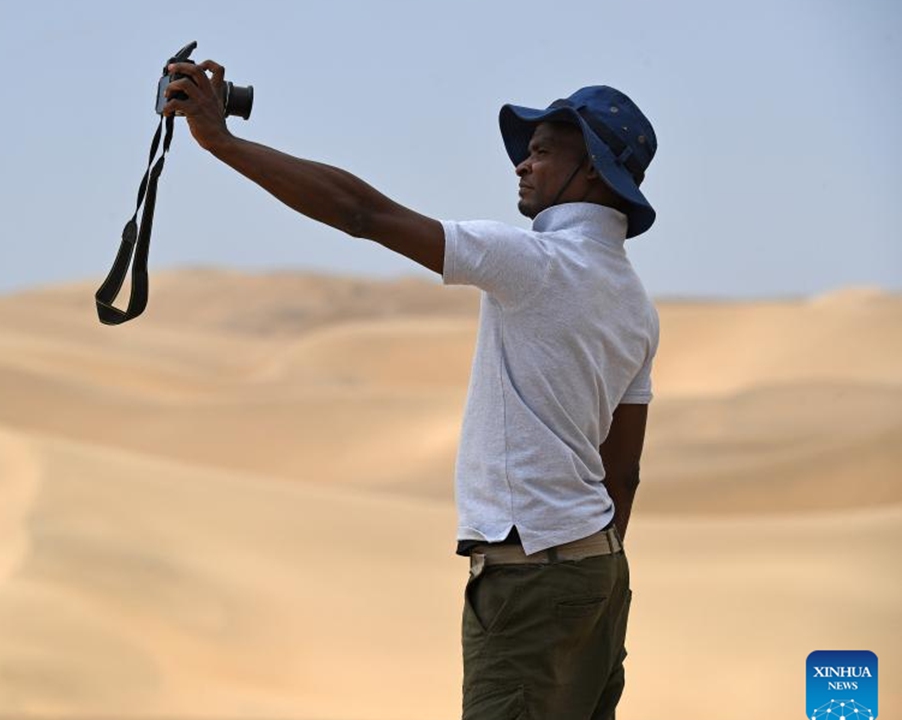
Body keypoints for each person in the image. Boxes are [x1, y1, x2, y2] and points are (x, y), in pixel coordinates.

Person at [162, 61, 659, 720]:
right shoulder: (635, 303)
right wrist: (588, 574)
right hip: (602, 570)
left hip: (528, 575)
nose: (522, 165)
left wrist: (222, 142)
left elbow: (362, 214)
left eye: (541, 152)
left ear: (592, 169)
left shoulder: (533, 263)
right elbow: (622, 471)